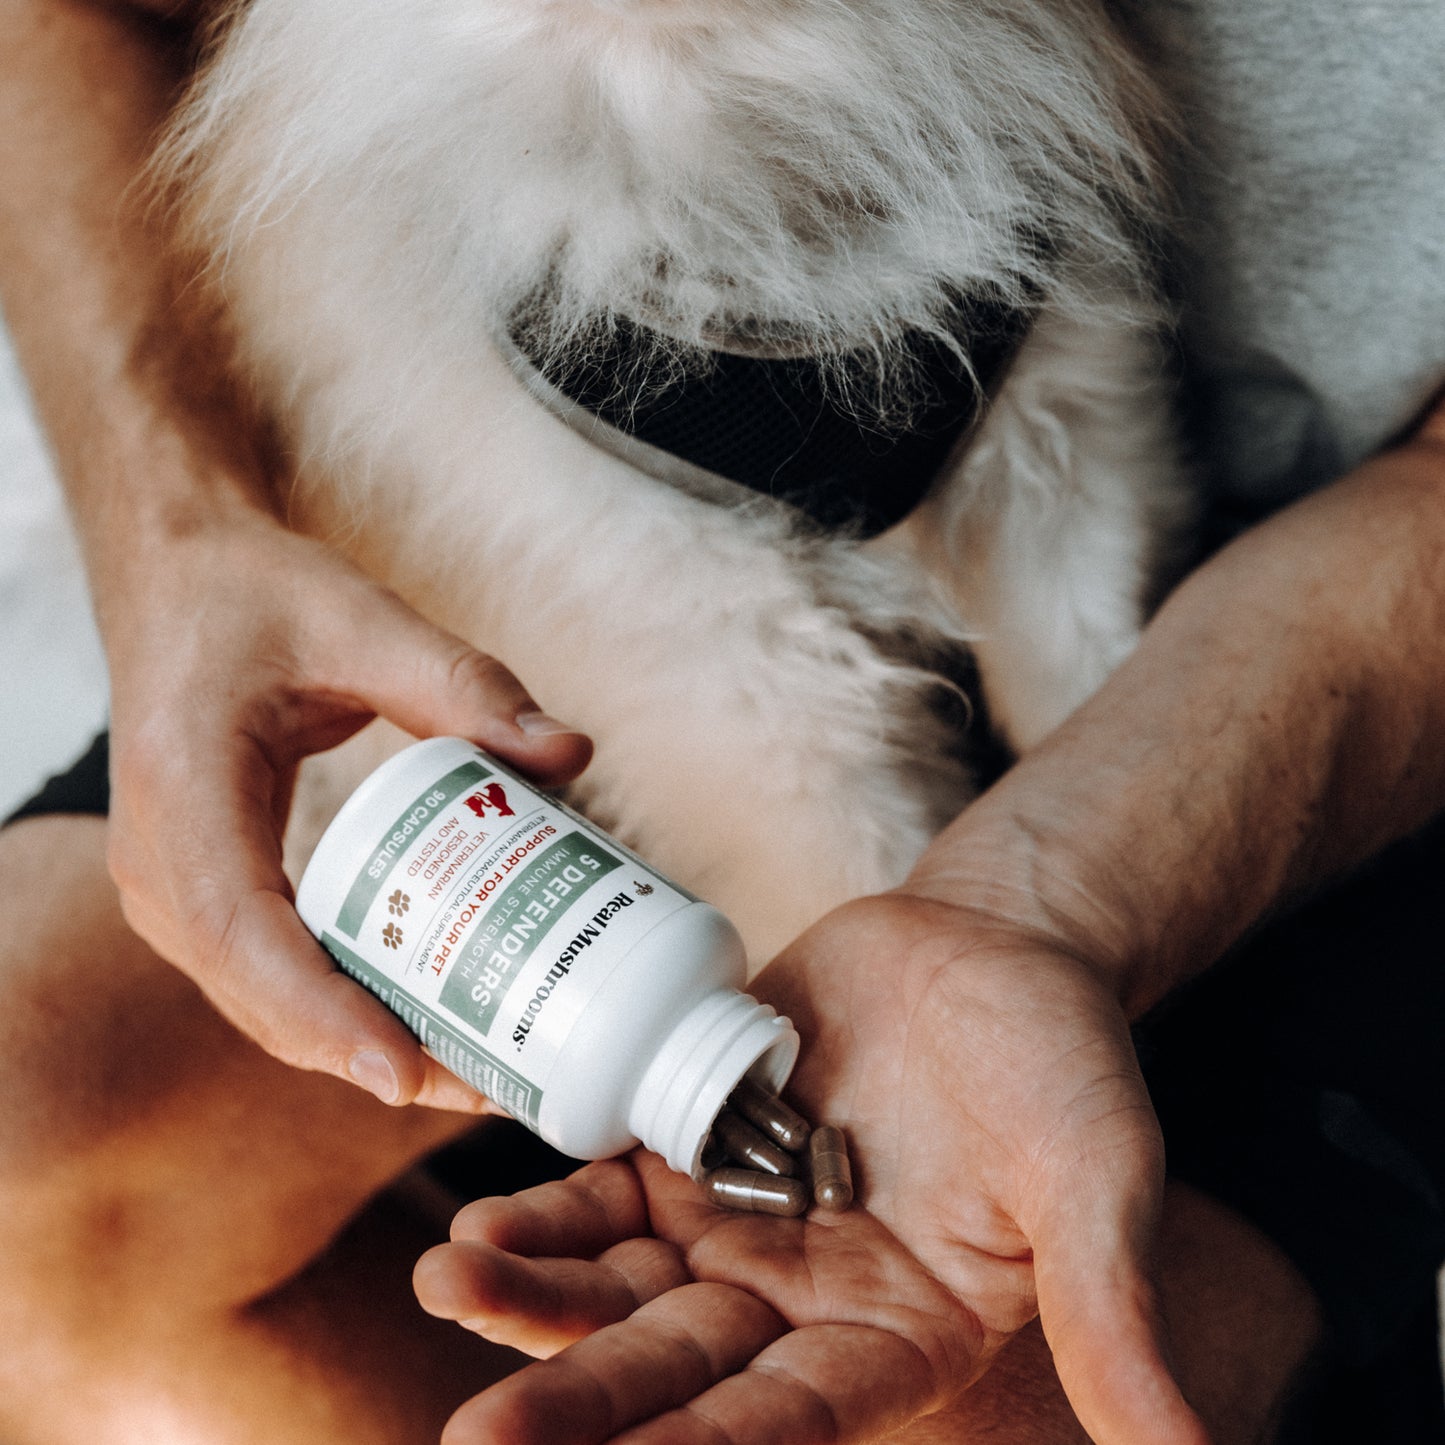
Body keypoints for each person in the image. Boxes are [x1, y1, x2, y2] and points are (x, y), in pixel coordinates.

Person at [0, 3, 1440, 1444]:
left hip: (1350, 641)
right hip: (433, 524)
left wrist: (1056, 886)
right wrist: (170, 536)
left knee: (953, 1383)